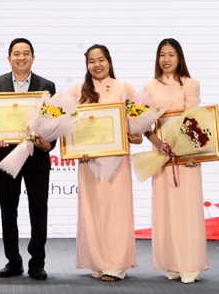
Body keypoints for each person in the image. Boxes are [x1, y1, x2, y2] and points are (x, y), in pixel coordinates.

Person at [0, 38, 56, 281]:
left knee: (39, 210)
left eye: (26, 53)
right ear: (9, 58)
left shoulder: (46, 86)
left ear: (33, 58)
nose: (21, 57)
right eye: (16, 53)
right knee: (8, 211)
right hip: (5, 156)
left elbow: (54, 123)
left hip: (36, 158)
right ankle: (13, 261)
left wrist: (49, 144)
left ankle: (37, 263)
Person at [68, 44, 138, 282]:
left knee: (116, 212)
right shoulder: (78, 91)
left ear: (109, 61)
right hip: (88, 162)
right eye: (91, 61)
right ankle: (98, 262)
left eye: (101, 60)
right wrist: (75, 147)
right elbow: (67, 125)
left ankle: (116, 265)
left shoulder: (124, 89)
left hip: (117, 162)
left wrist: (135, 135)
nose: (96, 65)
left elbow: (137, 124)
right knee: (93, 211)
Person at [142, 38, 208, 284]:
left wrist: (191, 153)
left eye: (171, 55)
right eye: (162, 55)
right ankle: (172, 262)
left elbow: (195, 119)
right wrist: (156, 142)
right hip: (161, 156)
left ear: (179, 58)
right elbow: (144, 123)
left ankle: (190, 264)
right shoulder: (149, 87)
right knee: (166, 210)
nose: (166, 59)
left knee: (187, 210)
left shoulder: (190, 85)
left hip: (186, 157)